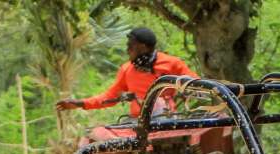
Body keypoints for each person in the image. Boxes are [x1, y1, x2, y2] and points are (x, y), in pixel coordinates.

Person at [55, 27, 199, 118]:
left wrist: (187, 90)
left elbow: (195, 83)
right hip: (137, 123)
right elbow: (110, 96)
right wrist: (80, 103)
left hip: (167, 120)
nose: (127, 49)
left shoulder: (172, 63)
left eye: (130, 45)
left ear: (142, 47)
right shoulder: (126, 69)